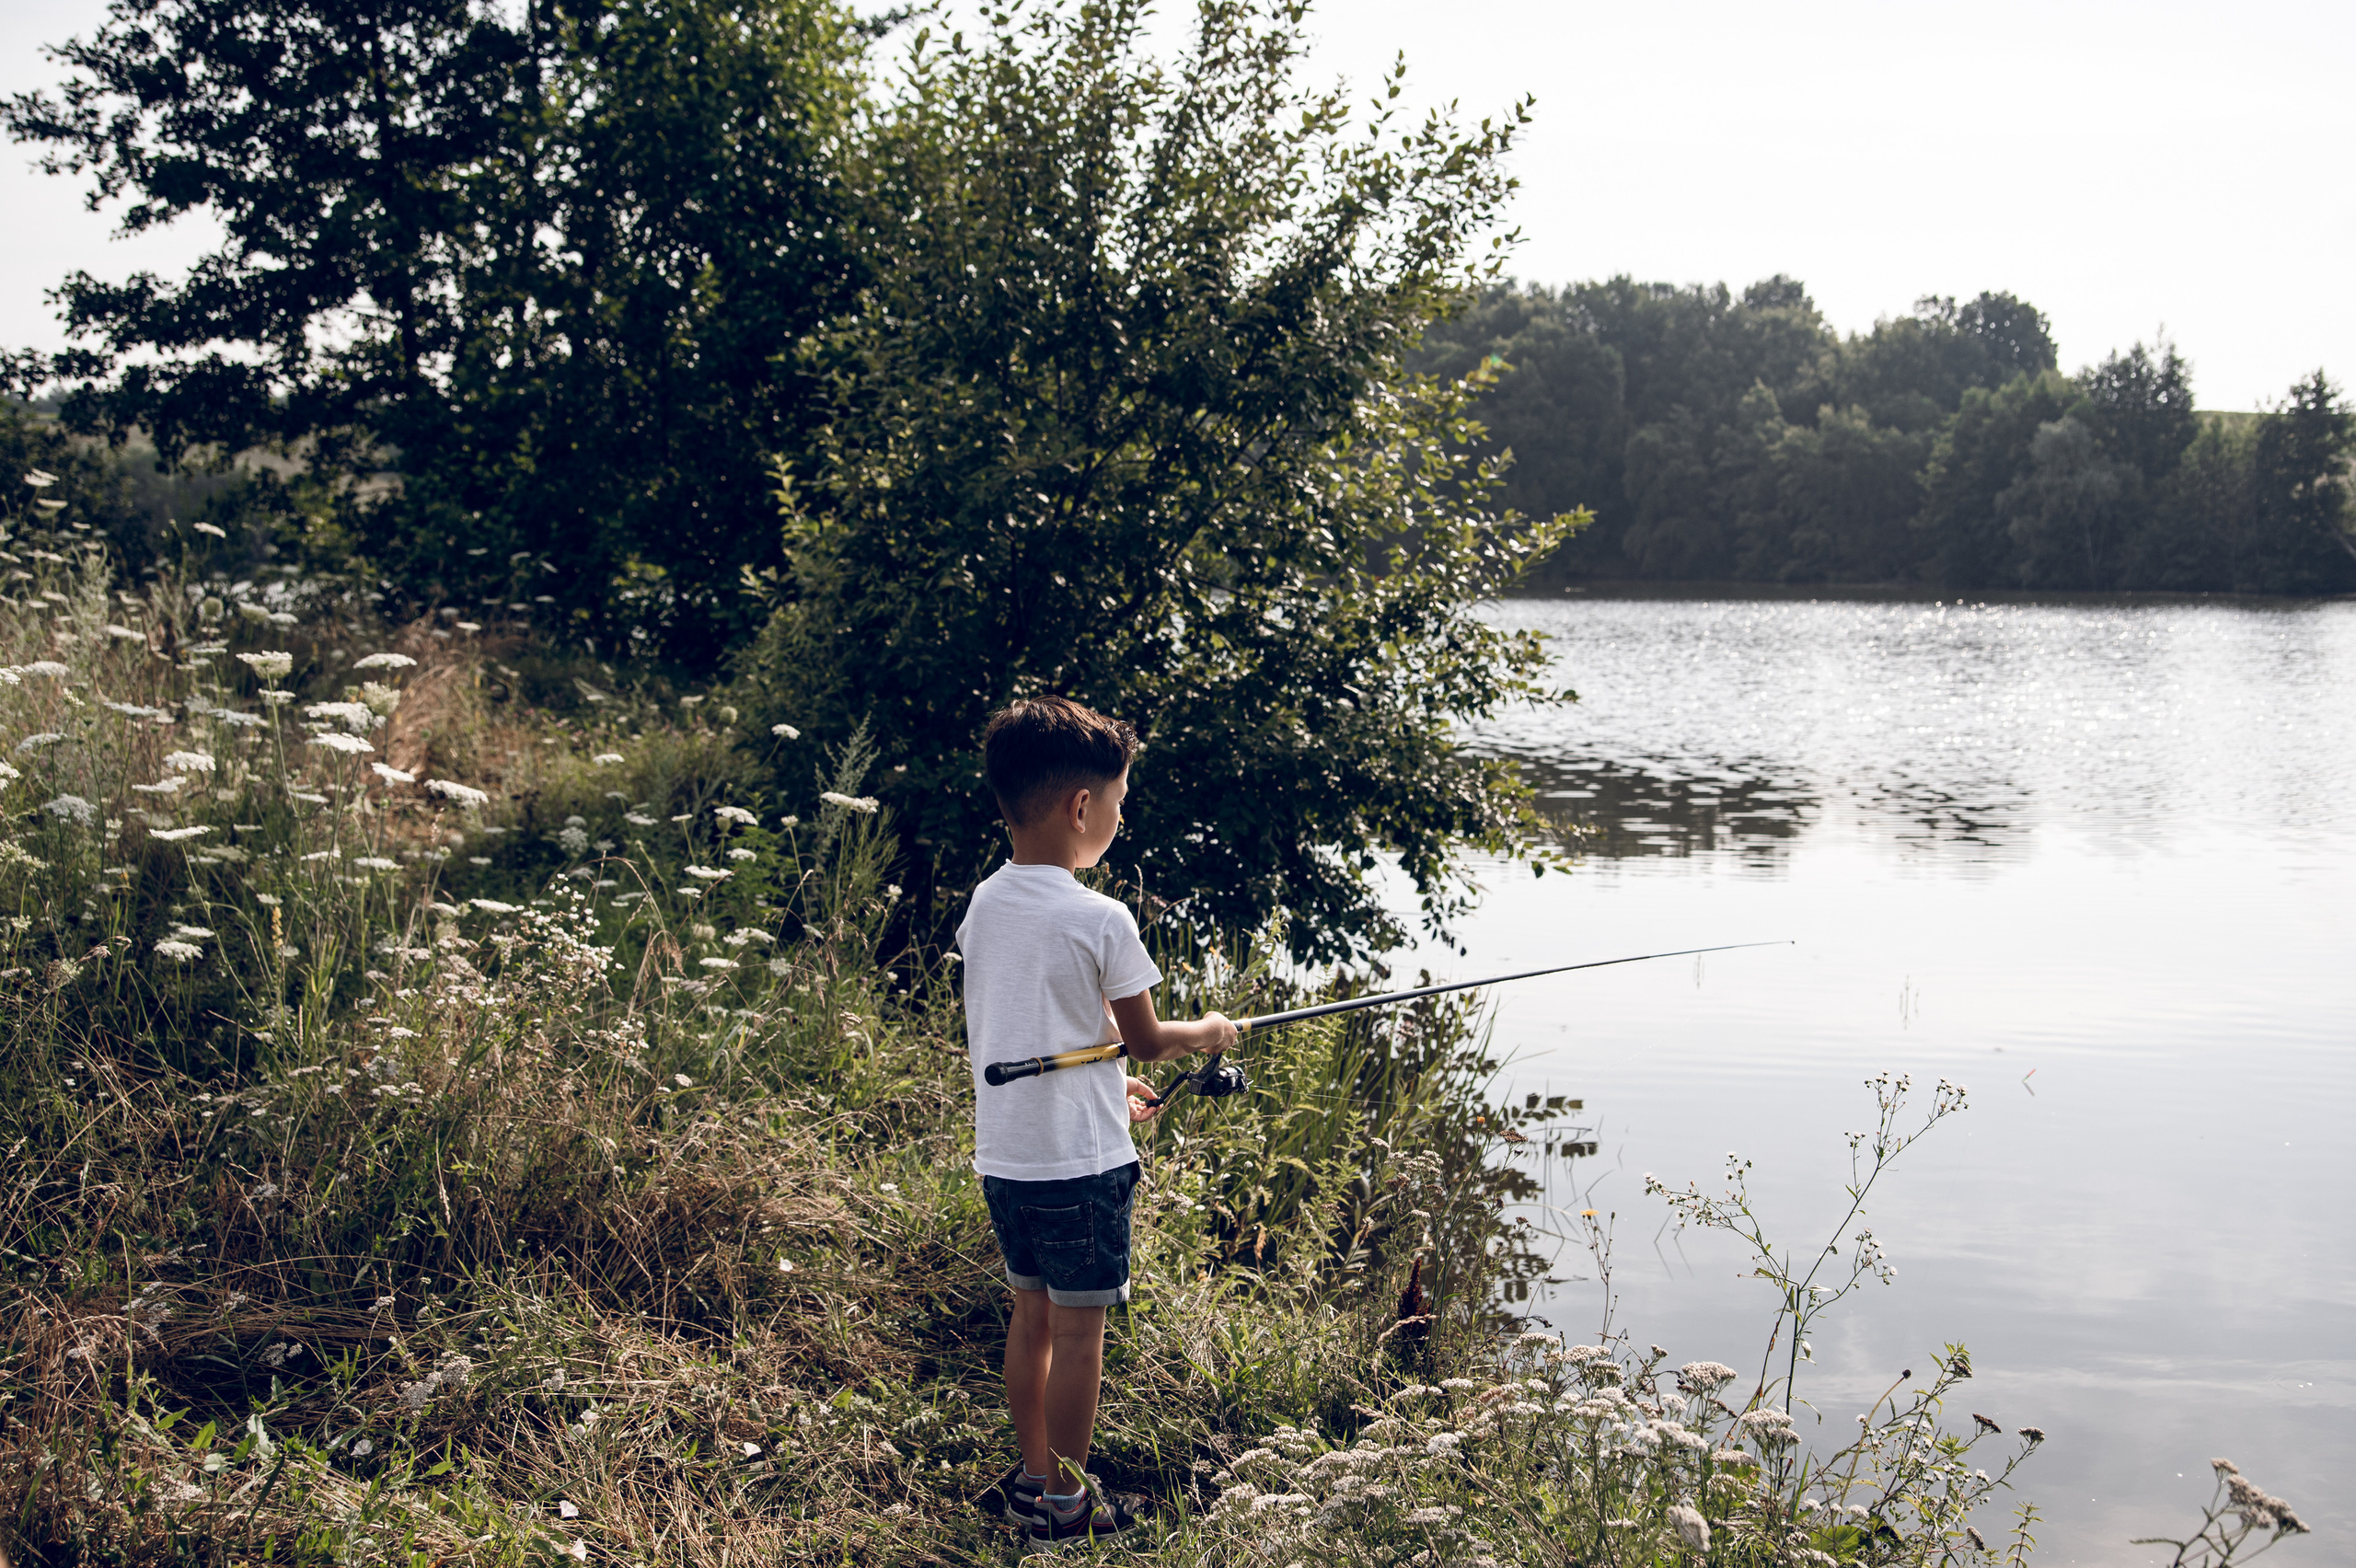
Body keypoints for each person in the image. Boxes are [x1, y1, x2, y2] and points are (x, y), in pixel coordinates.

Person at [959, 696, 1237, 1551]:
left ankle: (1035, 1480)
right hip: (1080, 1172)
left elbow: (1030, 1027)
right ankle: (1071, 1505)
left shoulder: (984, 905)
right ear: (1083, 807)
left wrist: (1106, 1086)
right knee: (1081, 1334)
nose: (1119, 818)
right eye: (1118, 804)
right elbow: (1149, 1040)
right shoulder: (1100, 917)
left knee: (1030, 1319)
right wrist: (1214, 1031)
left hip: (1007, 1160)